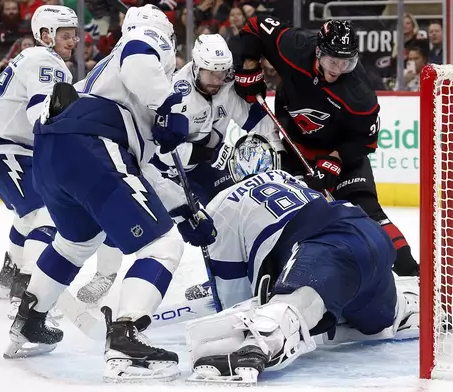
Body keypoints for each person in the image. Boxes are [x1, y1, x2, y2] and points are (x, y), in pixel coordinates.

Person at [5, 5, 217, 383]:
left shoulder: (109, 78)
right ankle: (126, 337)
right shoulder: (143, 45)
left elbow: (144, 169)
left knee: (77, 241)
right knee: (162, 246)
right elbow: (139, 51)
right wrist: (171, 107)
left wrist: (186, 211)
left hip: (54, 151)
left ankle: (30, 320)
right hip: (92, 145)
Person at [184, 135, 419, 383]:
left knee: (293, 306)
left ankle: (261, 342)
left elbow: (234, 293)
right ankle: (411, 304)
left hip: (327, 248)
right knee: (380, 321)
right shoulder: (291, 179)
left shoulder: (221, 204)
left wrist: (246, 318)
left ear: (233, 169)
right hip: (368, 232)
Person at [232, 16, 419, 277]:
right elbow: (254, 25)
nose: (338, 69)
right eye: (333, 61)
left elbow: (366, 141)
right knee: (289, 215)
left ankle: (412, 272)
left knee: (366, 211)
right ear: (318, 51)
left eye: (346, 62)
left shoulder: (360, 94)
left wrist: (335, 159)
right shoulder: (295, 46)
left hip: (342, 153)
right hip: (294, 148)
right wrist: (250, 66)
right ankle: (268, 275)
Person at [0, 5, 78, 314]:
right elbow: (39, 113)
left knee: (27, 214)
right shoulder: (46, 61)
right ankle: (27, 291)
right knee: (46, 210)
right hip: (1, 143)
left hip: (0, 143)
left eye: (74, 34)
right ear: (46, 35)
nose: (73, 41)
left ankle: (7, 278)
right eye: (65, 35)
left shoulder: (34, 58)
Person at [153, 33, 282, 206]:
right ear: (196, 69)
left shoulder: (226, 86)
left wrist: (280, 155)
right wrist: (211, 154)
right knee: (191, 219)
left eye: (221, 73)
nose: (217, 81)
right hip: (166, 173)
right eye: (211, 74)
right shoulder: (176, 95)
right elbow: (164, 151)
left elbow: (260, 124)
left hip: (204, 167)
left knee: (234, 205)